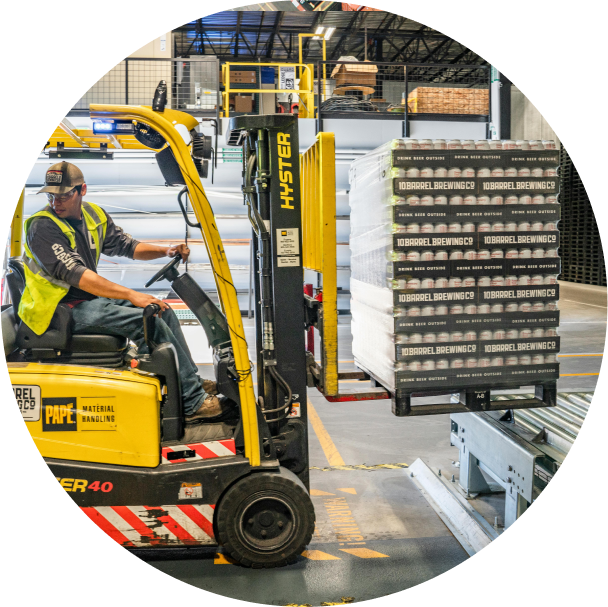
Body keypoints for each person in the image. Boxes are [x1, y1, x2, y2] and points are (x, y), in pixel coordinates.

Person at [21, 161, 226, 424]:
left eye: (63, 194)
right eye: (51, 195)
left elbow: (127, 246)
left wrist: (165, 251)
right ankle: (193, 402)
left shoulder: (94, 215)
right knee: (146, 320)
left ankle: (190, 383)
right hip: (57, 312)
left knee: (163, 312)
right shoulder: (42, 227)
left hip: (83, 301)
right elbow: (77, 275)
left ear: (82, 190)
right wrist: (130, 295)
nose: (55, 201)